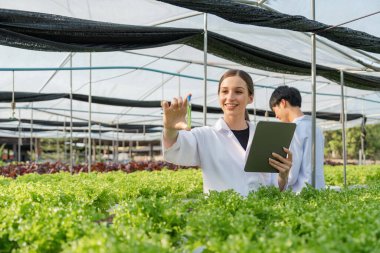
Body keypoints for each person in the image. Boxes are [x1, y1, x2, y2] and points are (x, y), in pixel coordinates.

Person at [161, 69, 292, 196]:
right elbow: (175, 150)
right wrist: (170, 129)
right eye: (224, 91)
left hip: (259, 217)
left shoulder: (264, 136)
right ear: (219, 96)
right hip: (221, 217)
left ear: (250, 98)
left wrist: (283, 177)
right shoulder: (205, 136)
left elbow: (273, 189)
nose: (230, 97)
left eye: (238, 92)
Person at [269, 85, 325, 193]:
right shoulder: (316, 127)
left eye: (274, 110)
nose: (276, 116)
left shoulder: (293, 129)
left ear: (283, 103)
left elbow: (291, 175)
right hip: (319, 190)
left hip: (300, 194)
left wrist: (279, 181)